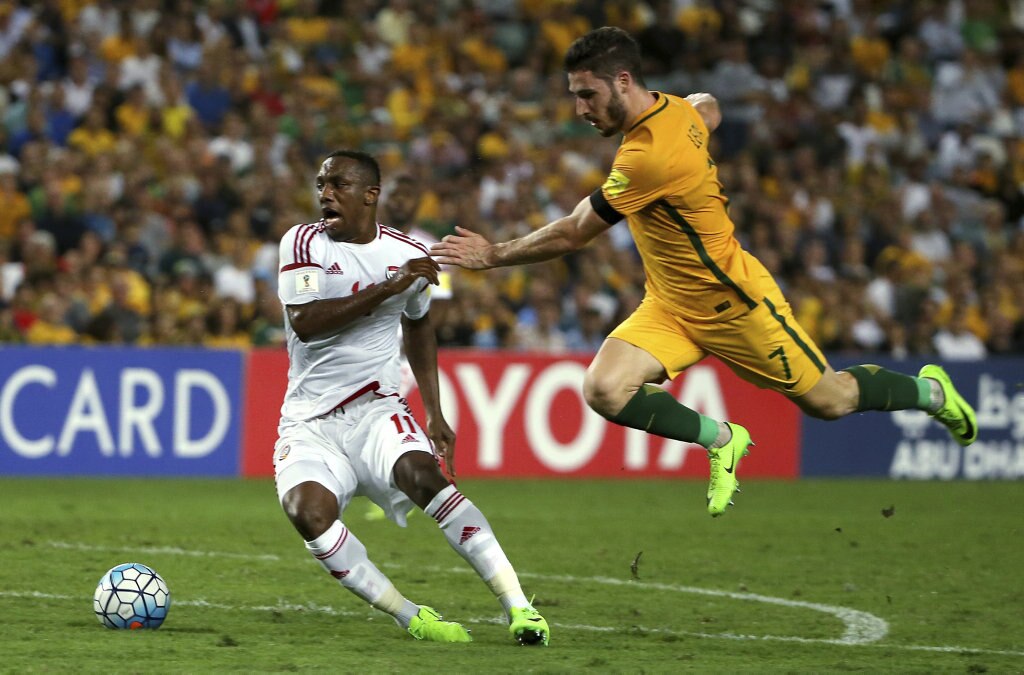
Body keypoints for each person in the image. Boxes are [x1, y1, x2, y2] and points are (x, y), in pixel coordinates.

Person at [432, 27, 978, 517]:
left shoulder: (647, 156)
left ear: (622, 82)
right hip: (670, 304)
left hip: (734, 304)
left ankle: (930, 393)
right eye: (575, 94)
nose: (579, 108)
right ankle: (722, 439)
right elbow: (706, 107)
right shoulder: (671, 111)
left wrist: (493, 254)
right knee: (604, 389)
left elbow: (576, 232)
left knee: (830, 401)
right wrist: (701, 114)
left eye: (587, 94)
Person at [275, 150, 549, 645]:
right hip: (308, 422)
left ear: (370, 194)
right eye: (320, 184)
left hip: (377, 409)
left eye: (337, 184)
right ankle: (411, 615)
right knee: (307, 514)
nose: (325, 194)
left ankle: (521, 607)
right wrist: (388, 288)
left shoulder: (405, 254)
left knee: (426, 478)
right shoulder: (302, 242)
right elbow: (306, 322)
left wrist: (434, 410)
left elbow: (419, 326)